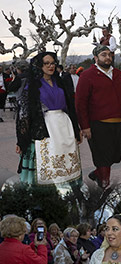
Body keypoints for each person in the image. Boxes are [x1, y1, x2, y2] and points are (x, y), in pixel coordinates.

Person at [75, 43, 121, 189]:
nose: (108, 57)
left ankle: (98, 173)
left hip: (120, 122)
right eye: (104, 55)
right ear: (96, 58)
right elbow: (80, 103)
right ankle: (104, 183)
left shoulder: (118, 74)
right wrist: (84, 126)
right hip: (99, 124)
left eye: (109, 55)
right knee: (102, 156)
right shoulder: (87, 76)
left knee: (117, 154)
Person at [15, 50, 81, 186]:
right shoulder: (32, 85)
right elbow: (24, 113)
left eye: (52, 63)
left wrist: (76, 129)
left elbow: (70, 107)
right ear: (39, 65)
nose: (50, 66)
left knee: (66, 165)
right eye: (46, 64)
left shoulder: (60, 82)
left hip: (64, 127)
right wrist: (21, 140)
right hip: (43, 127)